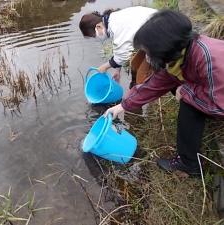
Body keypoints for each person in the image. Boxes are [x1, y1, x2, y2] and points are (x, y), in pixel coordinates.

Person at [104, 9, 224, 176]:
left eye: (149, 51)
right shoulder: (182, 54)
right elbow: (154, 85)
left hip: (220, 99)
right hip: (216, 91)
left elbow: (219, 105)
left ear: (165, 47)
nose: (147, 57)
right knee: (180, 91)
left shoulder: (210, 61)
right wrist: (122, 106)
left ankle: (189, 164)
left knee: (188, 103)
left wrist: (187, 91)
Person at [79, 6, 156, 84]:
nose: (96, 38)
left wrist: (104, 67)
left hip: (160, 35)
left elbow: (123, 56)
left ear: (98, 27)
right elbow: (119, 48)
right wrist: (117, 70)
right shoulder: (112, 19)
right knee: (135, 63)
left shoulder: (116, 26)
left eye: (93, 36)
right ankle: (138, 84)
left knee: (143, 73)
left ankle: (149, 85)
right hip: (153, 31)